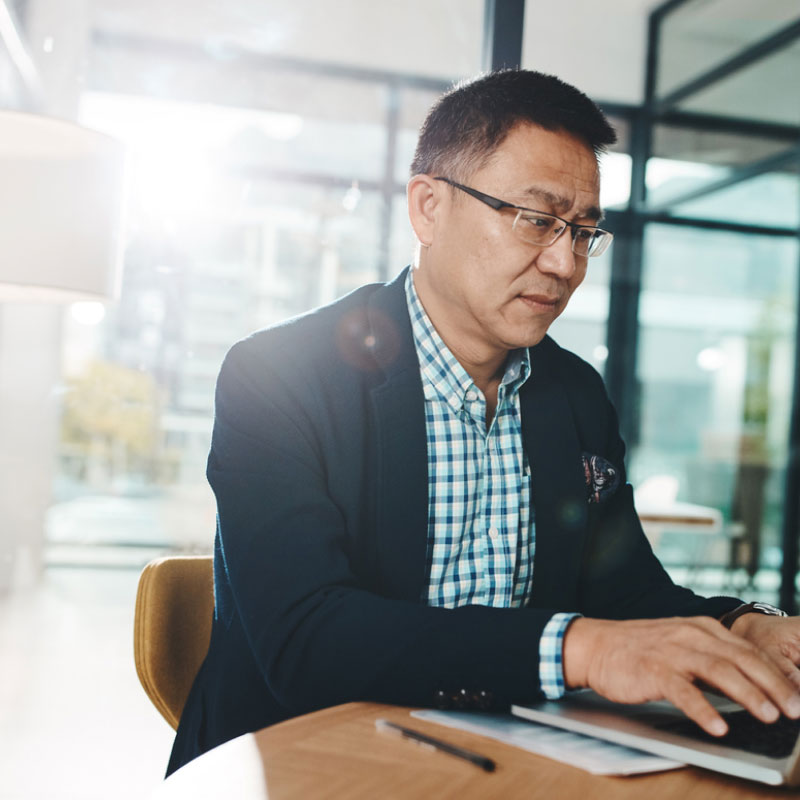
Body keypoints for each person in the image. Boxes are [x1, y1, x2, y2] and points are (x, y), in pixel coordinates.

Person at [167, 69, 800, 775]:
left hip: (509, 760)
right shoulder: (278, 375)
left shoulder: (575, 392)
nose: (564, 264)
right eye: (535, 219)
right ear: (428, 207)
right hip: (300, 758)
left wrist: (742, 627)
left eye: (584, 231)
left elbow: (626, 593)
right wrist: (579, 650)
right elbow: (308, 640)